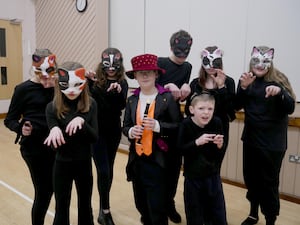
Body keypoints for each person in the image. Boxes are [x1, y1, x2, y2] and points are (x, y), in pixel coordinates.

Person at [235, 46, 296, 225]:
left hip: (272, 145)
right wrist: (243, 88)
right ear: (251, 61)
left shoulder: (279, 80)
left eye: (264, 61)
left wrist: (280, 93)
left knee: (269, 183)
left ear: (270, 62)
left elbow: (290, 107)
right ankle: (253, 213)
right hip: (251, 141)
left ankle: (270, 219)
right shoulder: (247, 80)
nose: (260, 65)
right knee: (252, 180)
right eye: (256, 61)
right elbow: (237, 106)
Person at [122, 54, 182, 225]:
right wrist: (131, 131)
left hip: (159, 161)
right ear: (135, 76)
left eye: (149, 72)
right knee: (140, 203)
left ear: (156, 74)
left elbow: (178, 126)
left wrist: (158, 126)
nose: (145, 76)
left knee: (157, 206)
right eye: (141, 73)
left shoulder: (167, 98)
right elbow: (125, 127)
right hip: (137, 160)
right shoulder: (132, 100)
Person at [4, 49, 57, 225]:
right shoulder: (23, 89)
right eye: (40, 73)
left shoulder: (59, 87)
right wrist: (21, 128)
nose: (44, 77)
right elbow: (10, 119)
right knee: (43, 191)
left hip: (58, 146)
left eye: (49, 72)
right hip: (34, 148)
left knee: (60, 189)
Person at [44, 61, 98, 225]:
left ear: (84, 82)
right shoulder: (52, 108)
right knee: (61, 207)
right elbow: (54, 143)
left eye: (77, 85)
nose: (72, 90)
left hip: (84, 163)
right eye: (66, 85)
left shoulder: (91, 104)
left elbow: (94, 137)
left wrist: (82, 121)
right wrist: (53, 129)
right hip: (62, 164)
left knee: (85, 206)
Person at [87, 47, 128, 225]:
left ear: (120, 64)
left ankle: (105, 206)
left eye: (115, 64)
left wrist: (117, 91)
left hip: (113, 131)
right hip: (96, 131)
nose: (111, 68)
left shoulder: (123, 83)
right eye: (107, 64)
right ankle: (104, 210)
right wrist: (89, 83)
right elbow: (91, 103)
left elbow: (119, 107)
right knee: (103, 170)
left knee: (108, 170)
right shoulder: (94, 82)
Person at [156, 29, 193, 223]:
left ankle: (169, 203)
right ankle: (157, 205)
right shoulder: (160, 63)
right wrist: (166, 87)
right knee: (158, 167)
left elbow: (185, 89)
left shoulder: (187, 67)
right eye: (178, 52)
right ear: (171, 47)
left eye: (185, 53)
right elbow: (149, 89)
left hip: (175, 121)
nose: (181, 58)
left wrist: (188, 87)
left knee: (173, 167)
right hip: (157, 122)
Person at [178, 93, 226, 225]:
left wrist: (220, 145)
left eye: (210, 109)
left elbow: (219, 152)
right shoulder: (186, 124)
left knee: (218, 212)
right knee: (194, 213)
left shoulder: (217, 122)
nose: (206, 113)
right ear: (192, 110)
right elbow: (179, 149)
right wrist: (196, 143)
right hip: (193, 178)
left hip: (213, 176)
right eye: (201, 109)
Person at [185, 46, 236, 163]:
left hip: (219, 132)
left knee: (214, 167)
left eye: (216, 62)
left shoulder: (229, 82)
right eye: (208, 61)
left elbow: (231, 114)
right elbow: (189, 112)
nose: (212, 66)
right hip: (196, 132)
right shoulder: (195, 84)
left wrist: (221, 87)